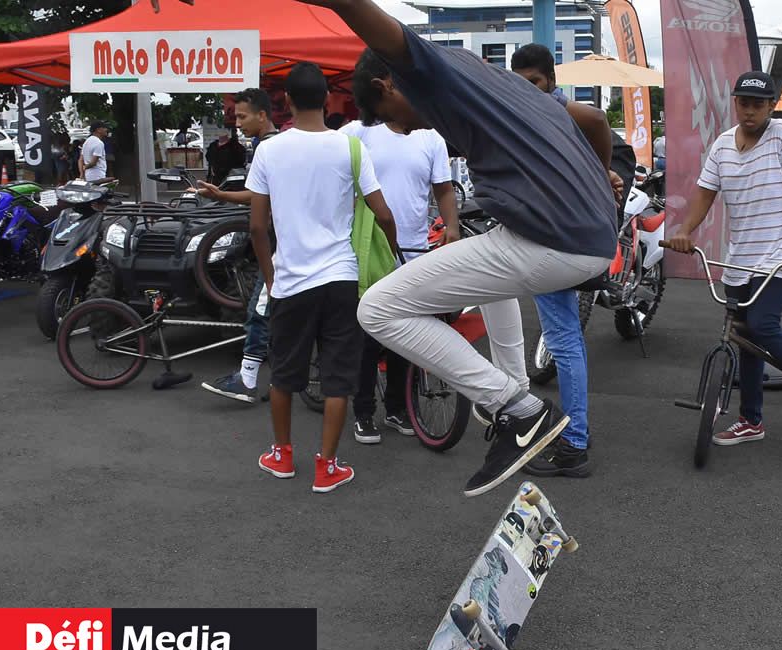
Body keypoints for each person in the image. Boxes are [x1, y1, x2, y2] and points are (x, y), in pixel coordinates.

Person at [300, 0, 616, 497]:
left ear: (386, 86)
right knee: (488, 279)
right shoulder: (498, 81)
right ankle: (516, 396)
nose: (401, 128)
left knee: (379, 309)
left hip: (552, 243)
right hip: (586, 239)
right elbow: (594, 121)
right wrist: (597, 193)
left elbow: (382, 31)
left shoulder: (434, 75)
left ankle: (521, 411)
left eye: (388, 117)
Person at [667, 70, 782, 446]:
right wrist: (685, 231)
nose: (750, 111)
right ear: (736, 103)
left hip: (778, 255)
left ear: (771, 105)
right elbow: (704, 193)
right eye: (744, 103)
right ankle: (751, 420)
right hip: (740, 257)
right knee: (745, 337)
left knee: (763, 325)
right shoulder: (723, 144)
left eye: (758, 104)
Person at [247, 62, 399, 492]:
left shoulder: (269, 151)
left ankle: (281, 456)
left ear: (288, 102)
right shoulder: (349, 147)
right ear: (328, 100)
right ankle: (327, 466)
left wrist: (270, 275)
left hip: (290, 280)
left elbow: (258, 226)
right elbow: (382, 212)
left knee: (284, 374)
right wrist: (393, 248)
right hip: (340, 278)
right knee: (338, 376)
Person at [508, 42, 630, 478]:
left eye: (535, 83)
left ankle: (574, 444)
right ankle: (574, 432)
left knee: (563, 341)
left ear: (552, 82)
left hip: (554, 240)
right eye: (520, 83)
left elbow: (597, 118)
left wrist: (601, 175)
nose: (528, 91)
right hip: (564, 238)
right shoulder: (536, 114)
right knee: (565, 340)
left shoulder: (560, 113)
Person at [343, 48, 462, 445]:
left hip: (412, 250)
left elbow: (443, 191)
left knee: (404, 336)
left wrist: (452, 228)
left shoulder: (429, 135)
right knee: (366, 336)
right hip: (369, 251)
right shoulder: (358, 132)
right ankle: (363, 412)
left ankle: (396, 408)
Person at [198, 88, 281, 404]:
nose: (238, 123)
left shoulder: (267, 149)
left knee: (260, 309)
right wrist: (221, 195)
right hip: (296, 242)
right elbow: (260, 192)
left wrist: (221, 196)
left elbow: (260, 205)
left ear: (263, 115)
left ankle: (247, 380)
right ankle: (283, 379)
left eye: (243, 116)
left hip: (278, 243)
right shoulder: (274, 144)